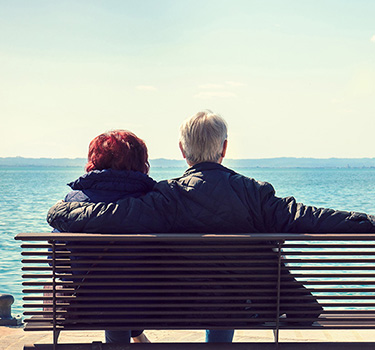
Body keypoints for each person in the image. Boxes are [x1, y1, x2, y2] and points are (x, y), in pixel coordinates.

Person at [48, 110, 375, 342]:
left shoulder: (168, 195)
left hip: (176, 306)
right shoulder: (254, 192)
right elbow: (311, 217)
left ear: (182, 150)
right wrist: (369, 222)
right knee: (230, 291)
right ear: (224, 148)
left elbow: (111, 217)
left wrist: (61, 211)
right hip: (244, 308)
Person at [60, 129, 156, 344]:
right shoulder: (154, 202)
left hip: (89, 303)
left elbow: (56, 261)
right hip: (150, 302)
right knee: (127, 291)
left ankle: (130, 335)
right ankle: (135, 334)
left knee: (111, 293)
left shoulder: (73, 201)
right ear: (142, 162)